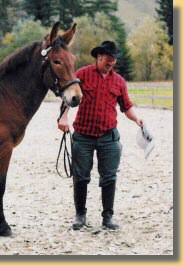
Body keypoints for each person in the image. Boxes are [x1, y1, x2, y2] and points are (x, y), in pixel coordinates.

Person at [58, 41, 143, 230]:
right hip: (83, 135)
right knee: (81, 176)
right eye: (108, 59)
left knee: (109, 176)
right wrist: (63, 117)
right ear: (99, 57)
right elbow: (68, 98)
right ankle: (80, 215)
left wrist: (137, 119)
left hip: (109, 136)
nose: (111, 62)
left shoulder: (119, 81)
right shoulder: (82, 74)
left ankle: (108, 216)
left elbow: (126, 106)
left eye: (113, 60)